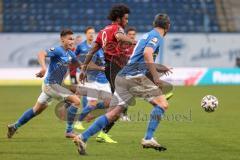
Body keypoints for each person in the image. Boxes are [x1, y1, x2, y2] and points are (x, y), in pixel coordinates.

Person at [73, 13, 172, 155]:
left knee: (114, 113)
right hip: (135, 76)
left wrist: (158, 68)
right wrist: (156, 77)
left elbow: (141, 59)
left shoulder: (148, 35)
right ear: (168, 26)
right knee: (162, 104)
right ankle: (148, 138)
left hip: (123, 76)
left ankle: (83, 137)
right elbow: (147, 54)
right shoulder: (156, 36)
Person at [7, 29, 82, 139]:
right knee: (76, 101)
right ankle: (69, 131)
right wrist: (43, 68)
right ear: (62, 39)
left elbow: (80, 65)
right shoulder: (57, 50)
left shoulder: (70, 53)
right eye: (70, 39)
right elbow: (41, 53)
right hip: (51, 85)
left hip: (53, 86)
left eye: (73, 39)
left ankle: (14, 126)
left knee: (36, 110)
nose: (72, 41)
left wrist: (96, 68)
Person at [79, 4, 136, 143]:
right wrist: (135, 41)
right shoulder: (117, 28)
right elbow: (120, 36)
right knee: (120, 103)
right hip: (114, 68)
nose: (127, 21)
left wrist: (84, 68)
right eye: (125, 18)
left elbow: (91, 51)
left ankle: (101, 130)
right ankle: (97, 132)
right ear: (119, 18)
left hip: (111, 68)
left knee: (119, 102)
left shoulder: (102, 32)